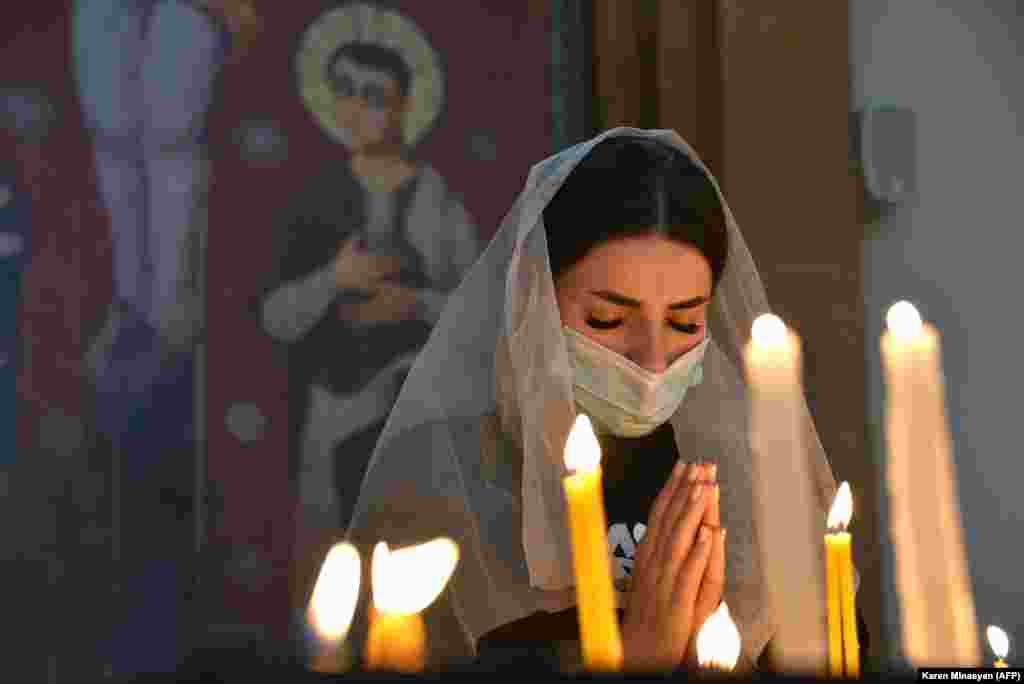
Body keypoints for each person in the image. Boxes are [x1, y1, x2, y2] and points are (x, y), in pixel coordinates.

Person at [342, 128, 855, 672]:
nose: (653, 362)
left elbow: (835, 646)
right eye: (607, 320)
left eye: (685, 322)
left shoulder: (743, 471)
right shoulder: (437, 478)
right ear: (530, 300)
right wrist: (636, 654)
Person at [259, 41, 480, 542]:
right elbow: (275, 316)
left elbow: (478, 316)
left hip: (416, 409)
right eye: (346, 92)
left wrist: (414, 304)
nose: (357, 109)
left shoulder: (438, 201)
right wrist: (335, 279)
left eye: (374, 95)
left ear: (404, 104)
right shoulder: (311, 196)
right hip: (331, 406)